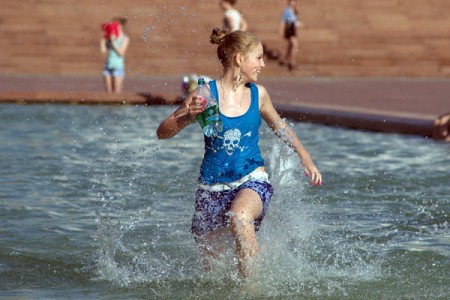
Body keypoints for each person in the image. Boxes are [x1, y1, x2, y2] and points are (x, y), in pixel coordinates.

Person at [156, 29, 322, 279]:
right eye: (259, 58)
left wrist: (304, 156)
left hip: (251, 179)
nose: (263, 64)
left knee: (240, 216)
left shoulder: (259, 94)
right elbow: (162, 132)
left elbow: (280, 126)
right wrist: (187, 116)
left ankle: (251, 290)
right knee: (212, 269)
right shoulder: (204, 95)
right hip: (211, 188)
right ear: (239, 59)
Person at [100, 17, 130, 94]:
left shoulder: (125, 38)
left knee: (117, 93)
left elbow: (121, 53)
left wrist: (113, 41)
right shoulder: (110, 37)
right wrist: (103, 40)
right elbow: (103, 50)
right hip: (108, 66)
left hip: (118, 67)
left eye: (116, 25)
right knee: (108, 93)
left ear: (121, 26)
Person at [279, 0, 304, 71]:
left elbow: (296, 21)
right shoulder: (287, 11)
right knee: (295, 45)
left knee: (290, 47)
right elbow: (283, 21)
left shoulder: (295, 11)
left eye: (295, 1)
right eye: (292, 1)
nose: (293, 3)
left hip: (293, 29)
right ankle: (292, 62)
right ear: (289, 2)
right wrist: (281, 30)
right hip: (289, 29)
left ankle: (283, 59)